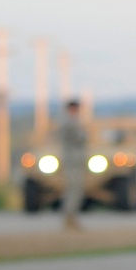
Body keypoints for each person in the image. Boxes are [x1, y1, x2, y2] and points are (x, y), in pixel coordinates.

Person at [59, 99, 88, 231]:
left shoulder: (69, 121)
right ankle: (70, 217)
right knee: (74, 189)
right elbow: (80, 137)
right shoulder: (70, 122)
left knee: (75, 189)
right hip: (73, 160)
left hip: (73, 160)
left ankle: (71, 217)